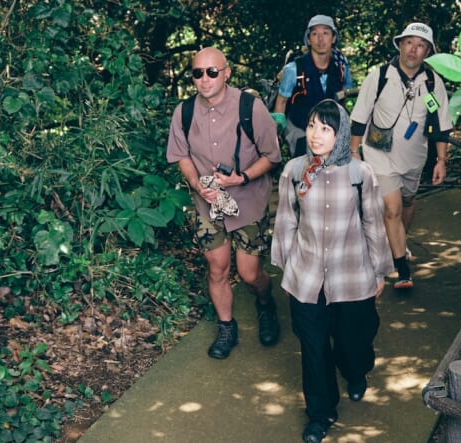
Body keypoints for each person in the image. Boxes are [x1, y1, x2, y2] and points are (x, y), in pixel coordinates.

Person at [271, 99, 393, 443]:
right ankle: (320, 414)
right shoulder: (294, 170)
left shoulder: (359, 173)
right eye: (311, 126)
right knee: (313, 348)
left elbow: (373, 224)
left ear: (339, 134)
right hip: (306, 276)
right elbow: (286, 221)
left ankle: (356, 372)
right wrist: (287, 270)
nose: (315, 135)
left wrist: (380, 272)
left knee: (353, 344)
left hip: (352, 276)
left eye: (325, 128)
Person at [166, 47, 282, 359]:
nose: (204, 79)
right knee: (217, 268)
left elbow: (272, 156)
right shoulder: (185, 111)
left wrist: (241, 178)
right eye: (198, 73)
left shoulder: (250, 107)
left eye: (212, 72)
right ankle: (226, 327)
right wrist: (196, 184)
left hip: (248, 201)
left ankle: (265, 303)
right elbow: (181, 156)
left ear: (226, 73)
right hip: (207, 204)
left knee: (249, 273)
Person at [349, 22, 453, 290]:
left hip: (415, 157)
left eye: (420, 45)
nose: (413, 50)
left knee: (407, 202)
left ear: (427, 51)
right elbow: (359, 117)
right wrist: (354, 151)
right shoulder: (380, 76)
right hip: (379, 153)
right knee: (391, 208)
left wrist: (441, 161)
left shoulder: (432, 82)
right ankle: (402, 270)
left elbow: (441, 126)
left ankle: (397, 243)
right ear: (400, 45)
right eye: (409, 42)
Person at [274, 14, 354, 159]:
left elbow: (344, 95)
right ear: (309, 40)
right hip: (300, 128)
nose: (320, 39)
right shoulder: (294, 69)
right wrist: (277, 131)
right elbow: (281, 101)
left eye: (325, 33)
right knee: (304, 170)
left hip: (330, 129)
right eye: (315, 34)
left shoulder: (341, 66)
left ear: (333, 38)